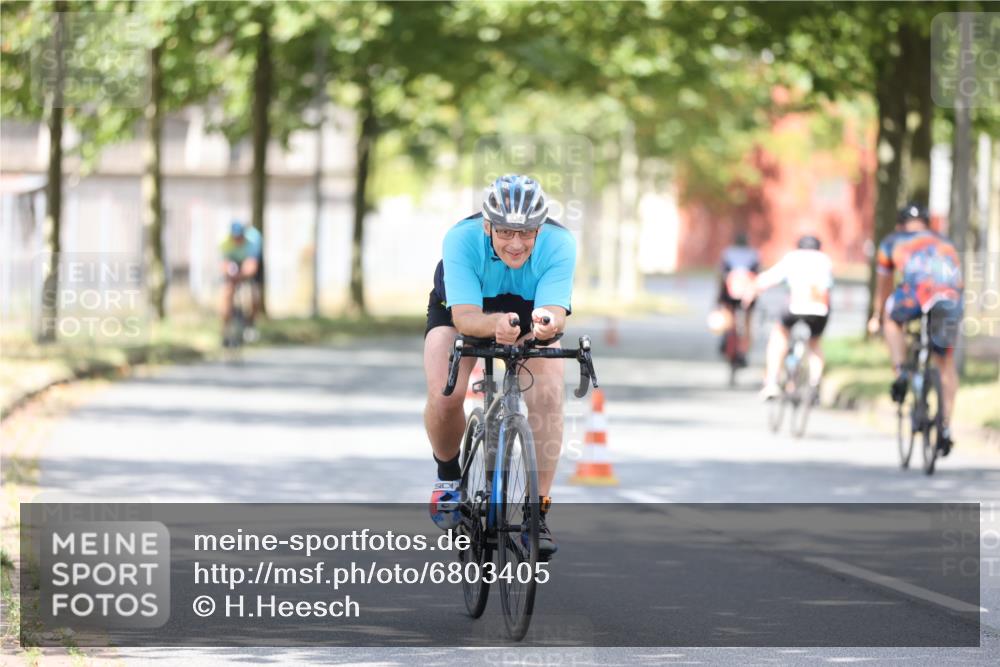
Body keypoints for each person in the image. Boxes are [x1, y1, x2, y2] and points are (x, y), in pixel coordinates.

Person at [423, 174, 576, 559]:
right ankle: (448, 477)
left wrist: (547, 327)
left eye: (526, 233)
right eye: (506, 232)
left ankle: (536, 513)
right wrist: (494, 326)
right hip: (462, 306)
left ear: (540, 228)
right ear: (488, 225)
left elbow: (556, 313)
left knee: (549, 392)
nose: (516, 243)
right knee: (447, 391)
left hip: (527, 310)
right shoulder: (460, 238)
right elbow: (465, 318)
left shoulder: (560, 243)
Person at [868, 203, 963, 454]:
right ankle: (944, 426)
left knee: (891, 318)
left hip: (916, 295)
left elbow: (884, 284)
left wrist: (876, 315)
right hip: (948, 297)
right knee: (945, 363)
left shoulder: (892, 241)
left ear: (900, 224)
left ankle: (900, 370)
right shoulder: (945, 242)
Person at [745, 235, 834, 400]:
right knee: (814, 343)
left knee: (779, 335)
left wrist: (752, 289)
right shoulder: (825, 260)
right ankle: (815, 382)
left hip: (795, 306)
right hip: (821, 308)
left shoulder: (793, 258)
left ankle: (771, 383)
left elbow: (768, 279)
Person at [717, 231, 760, 367]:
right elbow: (756, 274)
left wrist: (718, 296)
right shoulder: (753, 254)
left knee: (728, 314)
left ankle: (727, 335)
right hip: (747, 290)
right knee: (747, 321)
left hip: (730, 289)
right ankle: (743, 351)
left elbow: (721, 274)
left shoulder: (728, 252)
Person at [220, 220, 262, 342]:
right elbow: (224, 264)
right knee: (227, 292)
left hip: (247, 264)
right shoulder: (225, 243)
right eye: (235, 237)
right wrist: (230, 275)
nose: (237, 240)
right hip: (233, 264)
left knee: (254, 294)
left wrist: (242, 275)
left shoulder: (252, 242)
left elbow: (252, 266)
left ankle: (250, 324)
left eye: (240, 237)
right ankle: (225, 328)